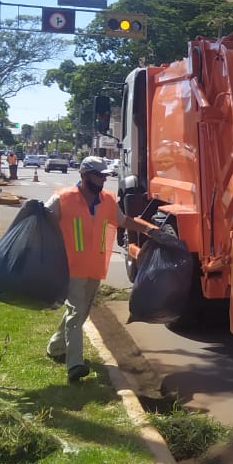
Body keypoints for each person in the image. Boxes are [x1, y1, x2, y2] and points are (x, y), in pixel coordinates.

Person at [45, 157, 155, 383]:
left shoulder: (107, 201)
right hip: (71, 268)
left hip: (95, 268)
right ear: (84, 176)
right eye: (98, 175)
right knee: (76, 313)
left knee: (80, 312)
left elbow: (124, 221)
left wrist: (151, 230)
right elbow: (41, 220)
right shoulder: (62, 199)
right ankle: (75, 365)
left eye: (105, 176)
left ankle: (55, 346)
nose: (103, 179)